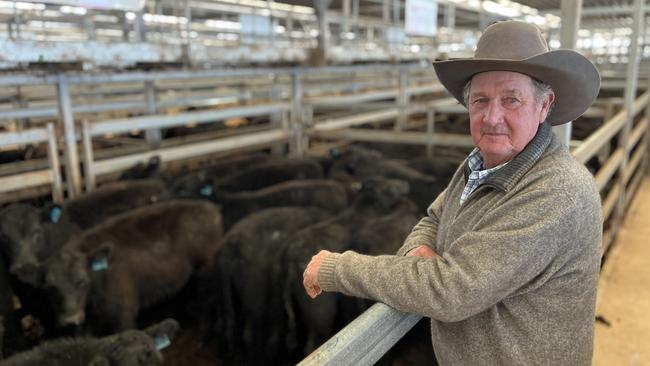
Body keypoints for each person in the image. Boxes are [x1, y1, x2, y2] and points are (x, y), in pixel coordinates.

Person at [303, 20, 603, 365]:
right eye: (480, 100)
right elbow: (434, 217)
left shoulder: (557, 191)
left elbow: (451, 291)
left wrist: (336, 268)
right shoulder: (481, 162)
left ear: (545, 106)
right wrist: (420, 247)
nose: (492, 117)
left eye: (511, 100)